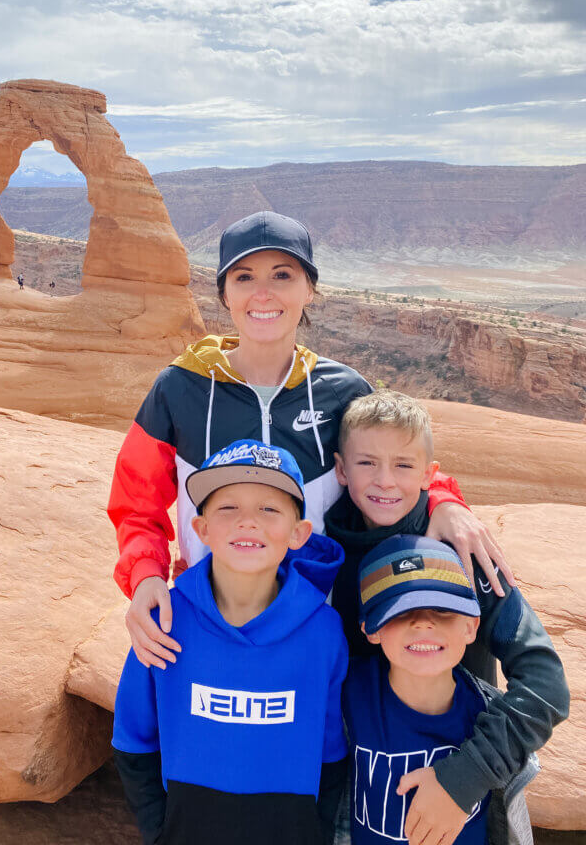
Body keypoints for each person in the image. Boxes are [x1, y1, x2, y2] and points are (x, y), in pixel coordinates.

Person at [108, 211, 512, 670]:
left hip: (327, 620)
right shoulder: (180, 389)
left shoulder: (342, 389)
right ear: (224, 293)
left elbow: (394, 463)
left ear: (309, 289)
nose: (263, 293)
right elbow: (136, 503)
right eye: (244, 277)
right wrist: (145, 577)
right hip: (213, 616)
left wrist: (444, 502)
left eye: (283, 275)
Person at [326, 392, 569, 844]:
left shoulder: (464, 554)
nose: (385, 481)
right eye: (366, 464)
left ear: (429, 474)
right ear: (341, 469)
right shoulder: (324, 554)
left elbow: (545, 685)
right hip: (360, 790)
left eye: (403, 465)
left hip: (461, 773)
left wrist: (465, 778)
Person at [113, 439, 348, 845]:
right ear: (201, 528)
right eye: (227, 507)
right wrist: (159, 830)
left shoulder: (323, 633)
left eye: (268, 508)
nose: (247, 521)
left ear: (298, 533)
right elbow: (133, 739)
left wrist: (317, 830)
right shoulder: (163, 622)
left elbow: (330, 750)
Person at [344, 535, 547, 845]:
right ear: (371, 628)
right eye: (401, 611)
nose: (424, 623)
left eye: (443, 610)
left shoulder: (495, 719)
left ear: (471, 626)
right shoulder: (347, 693)